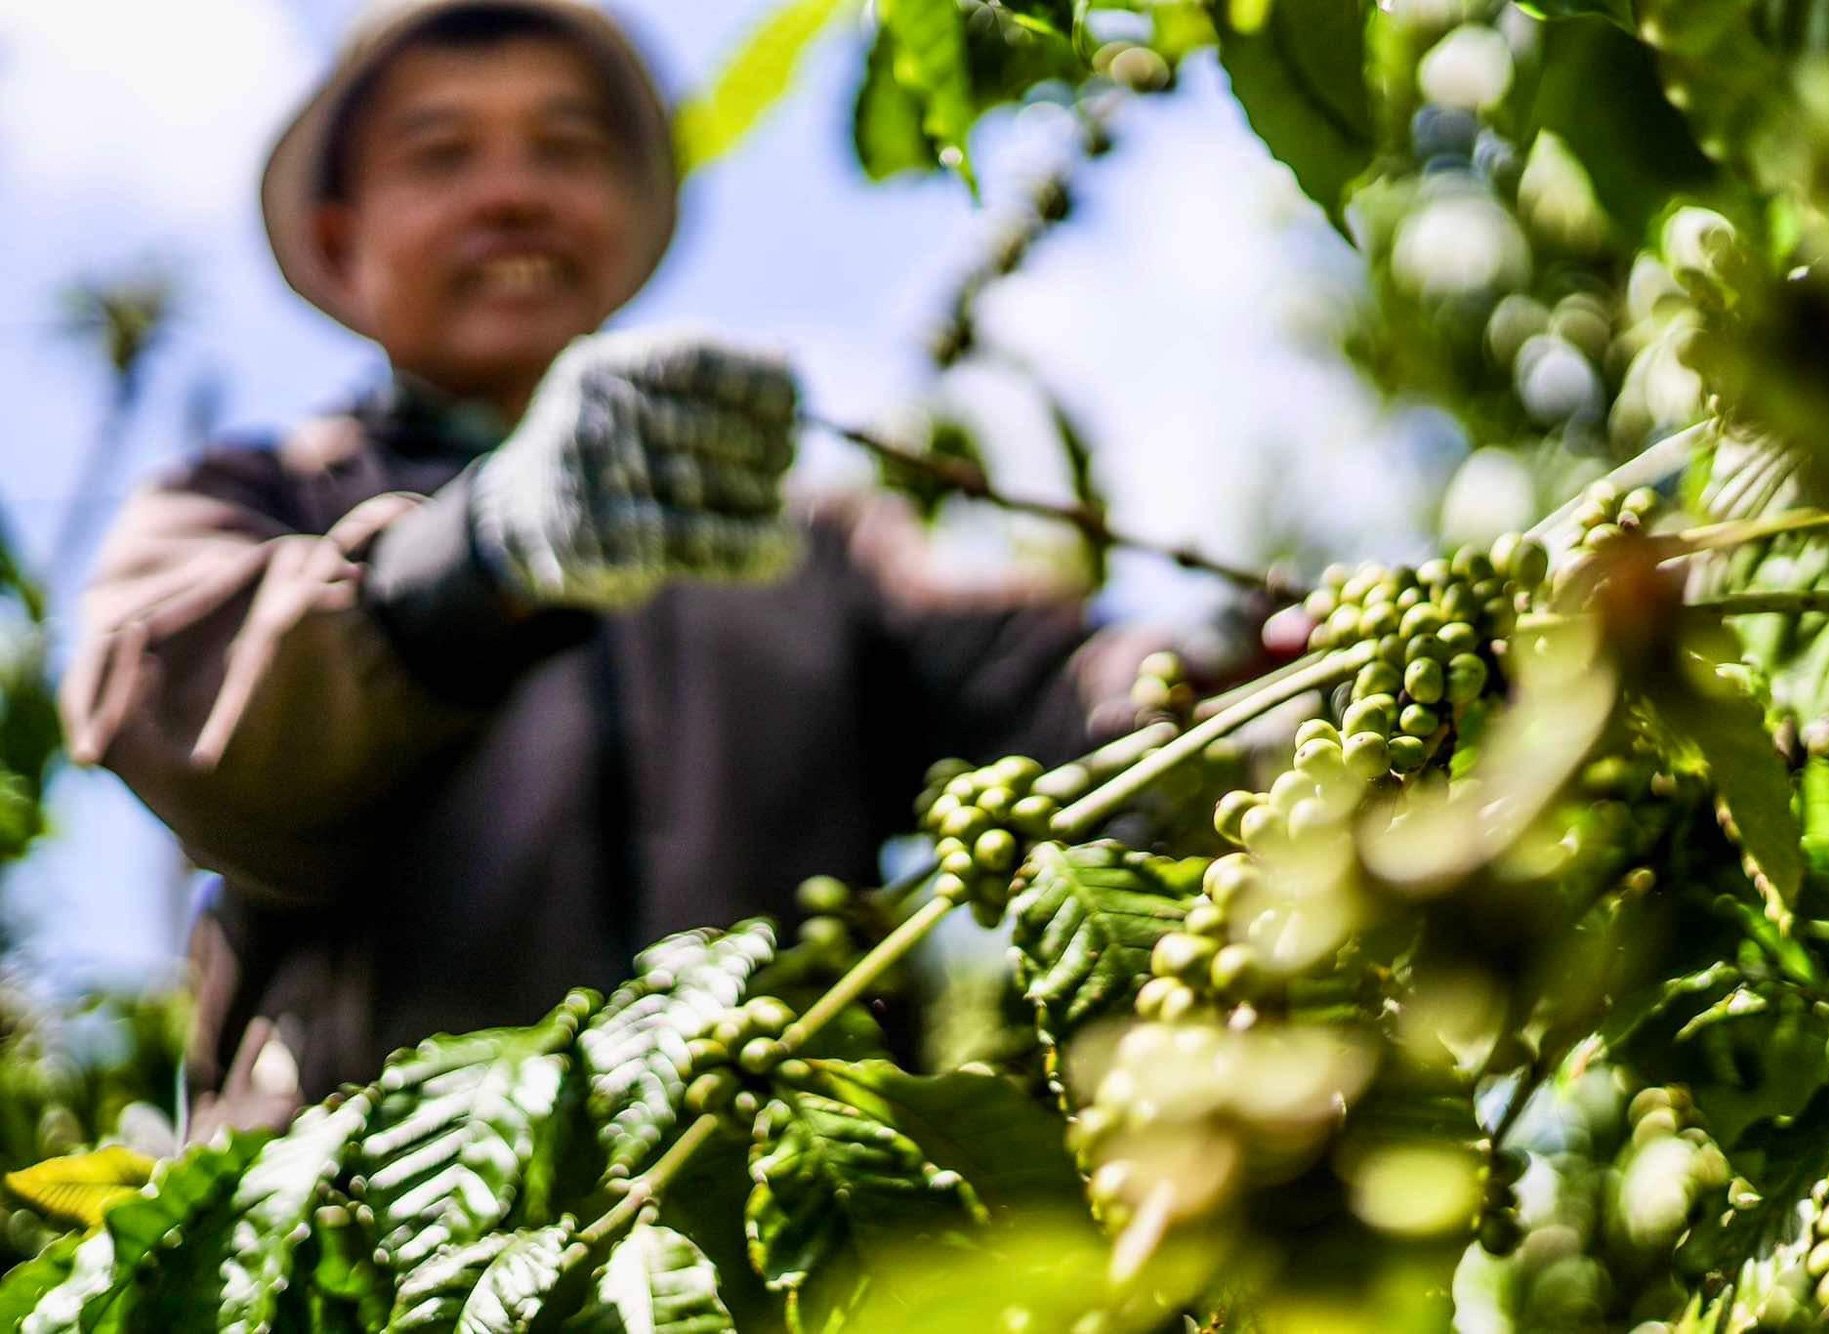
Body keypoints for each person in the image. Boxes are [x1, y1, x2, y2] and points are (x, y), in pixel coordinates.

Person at [60, 0, 1148, 1135]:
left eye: (566, 148)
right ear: (342, 239)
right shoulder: (254, 501)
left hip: (775, 1234)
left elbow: (1048, 683)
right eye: (440, 155)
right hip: (381, 1249)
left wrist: (1215, 681)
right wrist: (470, 559)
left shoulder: (801, 546)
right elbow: (180, 712)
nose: (512, 193)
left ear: (627, 221)